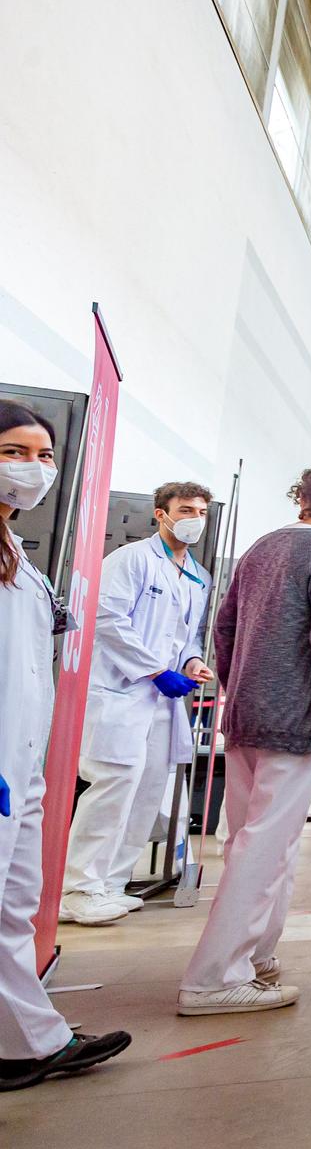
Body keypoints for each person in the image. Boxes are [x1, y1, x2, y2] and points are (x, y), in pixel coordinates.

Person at [179, 462, 311, 1016]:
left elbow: (225, 628)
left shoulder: (261, 548)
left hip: (247, 715)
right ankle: (213, 977)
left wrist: (240, 690)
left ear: (300, 499)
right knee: (264, 846)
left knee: (254, 841)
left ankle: (256, 954)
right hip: (297, 720)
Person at [0, 401, 133, 1086]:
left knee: (13, 903)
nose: (34, 467)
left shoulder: (19, 556)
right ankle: (29, 1042)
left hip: (18, 765)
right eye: (16, 451)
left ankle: (23, 1041)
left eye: (45, 455)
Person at [60, 481, 214, 925]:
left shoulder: (197, 576)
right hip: (122, 693)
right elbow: (106, 619)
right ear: (160, 514)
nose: (194, 520)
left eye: (201, 512)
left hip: (162, 702)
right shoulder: (130, 561)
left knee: (147, 790)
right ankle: (78, 888)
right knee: (113, 787)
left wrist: (192, 661)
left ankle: (110, 883)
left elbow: (187, 635)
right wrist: (154, 669)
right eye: (185, 510)